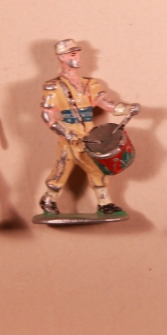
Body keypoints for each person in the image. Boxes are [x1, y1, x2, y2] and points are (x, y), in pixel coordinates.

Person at [38, 39, 138, 216]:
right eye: (72, 54)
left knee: (94, 167)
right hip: (70, 134)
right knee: (63, 167)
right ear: (61, 57)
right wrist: (66, 133)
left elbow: (106, 103)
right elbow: (47, 115)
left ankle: (103, 203)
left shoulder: (90, 84)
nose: (77, 57)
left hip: (90, 135)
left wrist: (126, 108)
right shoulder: (53, 86)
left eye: (77, 53)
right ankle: (49, 199)